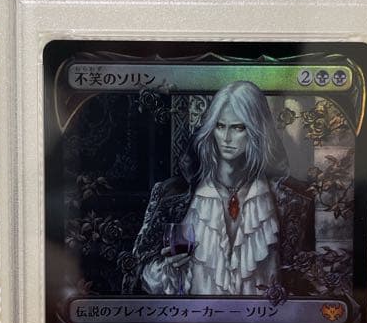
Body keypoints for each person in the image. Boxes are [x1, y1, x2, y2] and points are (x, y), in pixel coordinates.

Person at [124, 81, 315, 296]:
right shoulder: (173, 196)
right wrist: (167, 268)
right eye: (220, 126)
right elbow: (136, 277)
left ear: (256, 131)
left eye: (238, 128)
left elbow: (302, 285)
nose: (226, 138)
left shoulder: (291, 202)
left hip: (261, 317)